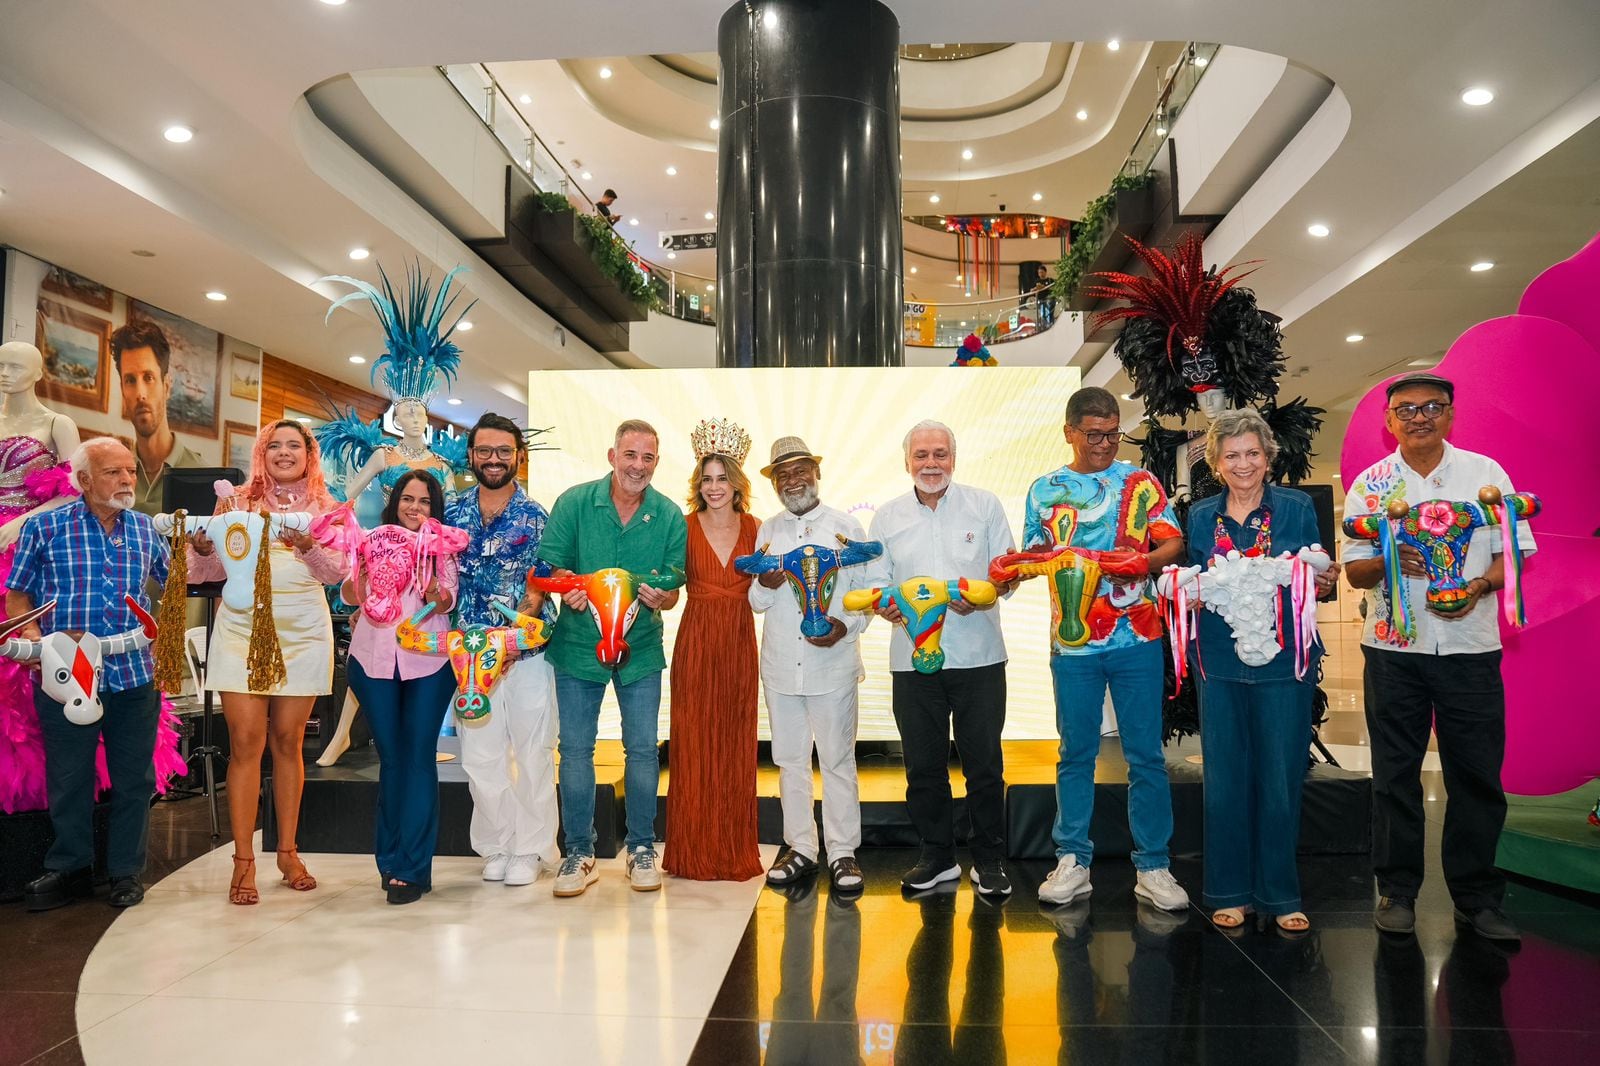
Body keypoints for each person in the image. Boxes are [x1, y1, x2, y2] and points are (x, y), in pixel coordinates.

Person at [1343, 373, 1533, 943]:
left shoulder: (1486, 475)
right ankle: (1397, 891)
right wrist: (1390, 557)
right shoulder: (1371, 485)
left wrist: (1478, 586)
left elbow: (1515, 555)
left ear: (1450, 414)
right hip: (1392, 650)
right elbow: (1355, 572)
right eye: (1406, 409)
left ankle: (1477, 898)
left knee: (1476, 775)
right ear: (1389, 421)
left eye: (1432, 406)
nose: (1420, 416)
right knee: (1394, 774)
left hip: (1470, 648)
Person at [1024, 386, 1190, 911]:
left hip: (1138, 637)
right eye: (1093, 435)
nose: (1104, 444)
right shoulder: (1044, 489)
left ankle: (1154, 865)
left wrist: (1143, 563)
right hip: (1072, 642)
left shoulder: (1140, 481)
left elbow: (1173, 542)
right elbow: (1035, 552)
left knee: (1146, 755)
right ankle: (1072, 860)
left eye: (1113, 434)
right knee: (1076, 753)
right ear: (1069, 432)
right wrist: (1019, 565)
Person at [1185, 410, 1340, 934]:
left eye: (1252, 453)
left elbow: (1318, 573)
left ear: (1268, 457)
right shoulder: (1200, 516)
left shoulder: (1296, 507)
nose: (1243, 464)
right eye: (1231, 455)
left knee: (1280, 777)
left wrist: (1321, 579)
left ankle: (1280, 895)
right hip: (1218, 659)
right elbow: (1196, 578)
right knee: (1224, 779)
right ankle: (1230, 891)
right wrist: (1189, 591)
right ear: (1216, 462)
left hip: (1285, 660)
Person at [189, 420, 348, 905]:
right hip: (242, 628)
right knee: (245, 743)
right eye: (274, 445)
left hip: (303, 630)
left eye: (293, 445)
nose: (283, 453)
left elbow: (338, 573)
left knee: (288, 742)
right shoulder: (234, 502)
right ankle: (243, 860)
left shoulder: (328, 507)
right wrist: (201, 548)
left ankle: (287, 852)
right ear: (262, 452)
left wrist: (308, 546)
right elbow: (206, 571)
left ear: (308, 454)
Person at [8, 439, 168, 909]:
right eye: (113, 472)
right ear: (83, 480)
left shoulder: (145, 529)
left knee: (134, 780)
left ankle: (125, 872)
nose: (127, 481)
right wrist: (34, 641)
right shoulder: (44, 527)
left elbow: (177, 582)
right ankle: (70, 868)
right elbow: (18, 595)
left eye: (130, 471)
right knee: (69, 777)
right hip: (65, 676)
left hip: (133, 674)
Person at [867, 420, 1016, 896]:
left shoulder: (985, 505)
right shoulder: (887, 517)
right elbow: (876, 582)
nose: (931, 464)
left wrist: (987, 594)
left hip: (979, 657)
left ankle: (988, 860)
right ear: (907, 461)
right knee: (922, 767)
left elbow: (1007, 572)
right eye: (921, 455)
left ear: (954, 457)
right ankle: (937, 856)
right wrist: (886, 605)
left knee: (984, 765)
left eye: (940, 454)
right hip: (913, 661)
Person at [541, 419, 686, 896]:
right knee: (575, 750)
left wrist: (665, 598)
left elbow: (673, 587)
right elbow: (551, 568)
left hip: (640, 648)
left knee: (642, 750)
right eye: (630, 455)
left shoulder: (669, 515)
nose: (638, 466)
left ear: (656, 463)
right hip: (577, 646)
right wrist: (567, 587)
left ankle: (641, 848)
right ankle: (579, 853)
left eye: (647, 458)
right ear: (612, 456)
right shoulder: (575, 503)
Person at [751, 436, 873, 897]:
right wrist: (764, 583)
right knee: (789, 761)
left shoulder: (846, 527)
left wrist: (847, 625)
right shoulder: (768, 531)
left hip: (832, 665)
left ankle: (843, 851)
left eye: (800, 470)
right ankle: (801, 847)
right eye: (783, 475)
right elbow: (756, 601)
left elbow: (866, 593)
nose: (793, 480)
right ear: (775, 484)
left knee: (838, 760)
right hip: (781, 667)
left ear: (816, 473)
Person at [443, 413, 559, 889]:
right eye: (485, 451)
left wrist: (510, 643)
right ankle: (497, 844)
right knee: (479, 757)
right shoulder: (450, 514)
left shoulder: (538, 517)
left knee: (533, 753)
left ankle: (530, 848)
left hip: (526, 654)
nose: (494, 459)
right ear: (471, 456)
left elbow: (541, 584)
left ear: (519, 457)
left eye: (504, 451)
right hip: (470, 659)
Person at [340, 470, 458, 904]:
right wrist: (361, 575)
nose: (415, 508)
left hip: (429, 664)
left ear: (434, 509)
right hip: (372, 662)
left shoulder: (441, 548)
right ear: (395, 503)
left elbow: (448, 598)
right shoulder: (372, 541)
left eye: (424, 501)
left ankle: (412, 867)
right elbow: (349, 594)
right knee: (391, 761)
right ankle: (389, 860)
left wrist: (434, 590)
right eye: (408, 499)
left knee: (418, 758)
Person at [663, 418, 762, 882]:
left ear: (737, 483)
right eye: (707, 479)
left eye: (723, 478)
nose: (715, 487)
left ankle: (733, 849)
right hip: (697, 638)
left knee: (735, 741)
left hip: (739, 639)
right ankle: (692, 852)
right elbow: (670, 587)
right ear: (697, 484)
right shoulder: (681, 527)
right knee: (694, 742)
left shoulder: (757, 528)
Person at [0, 340, 81, 816]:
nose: (5, 373)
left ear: (36, 372)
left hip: (29, 548)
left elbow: (75, 489)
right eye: (1, 365)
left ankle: (41, 783)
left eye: (15, 365)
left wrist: (22, 522)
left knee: (30, 649)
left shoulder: (56, 424)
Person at [109, 323, 203, 516]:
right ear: (122, 390)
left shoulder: (201, 476)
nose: (140, 394)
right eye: (130, 380)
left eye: (149, 377)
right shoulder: (112, 478)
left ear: (166, 386)